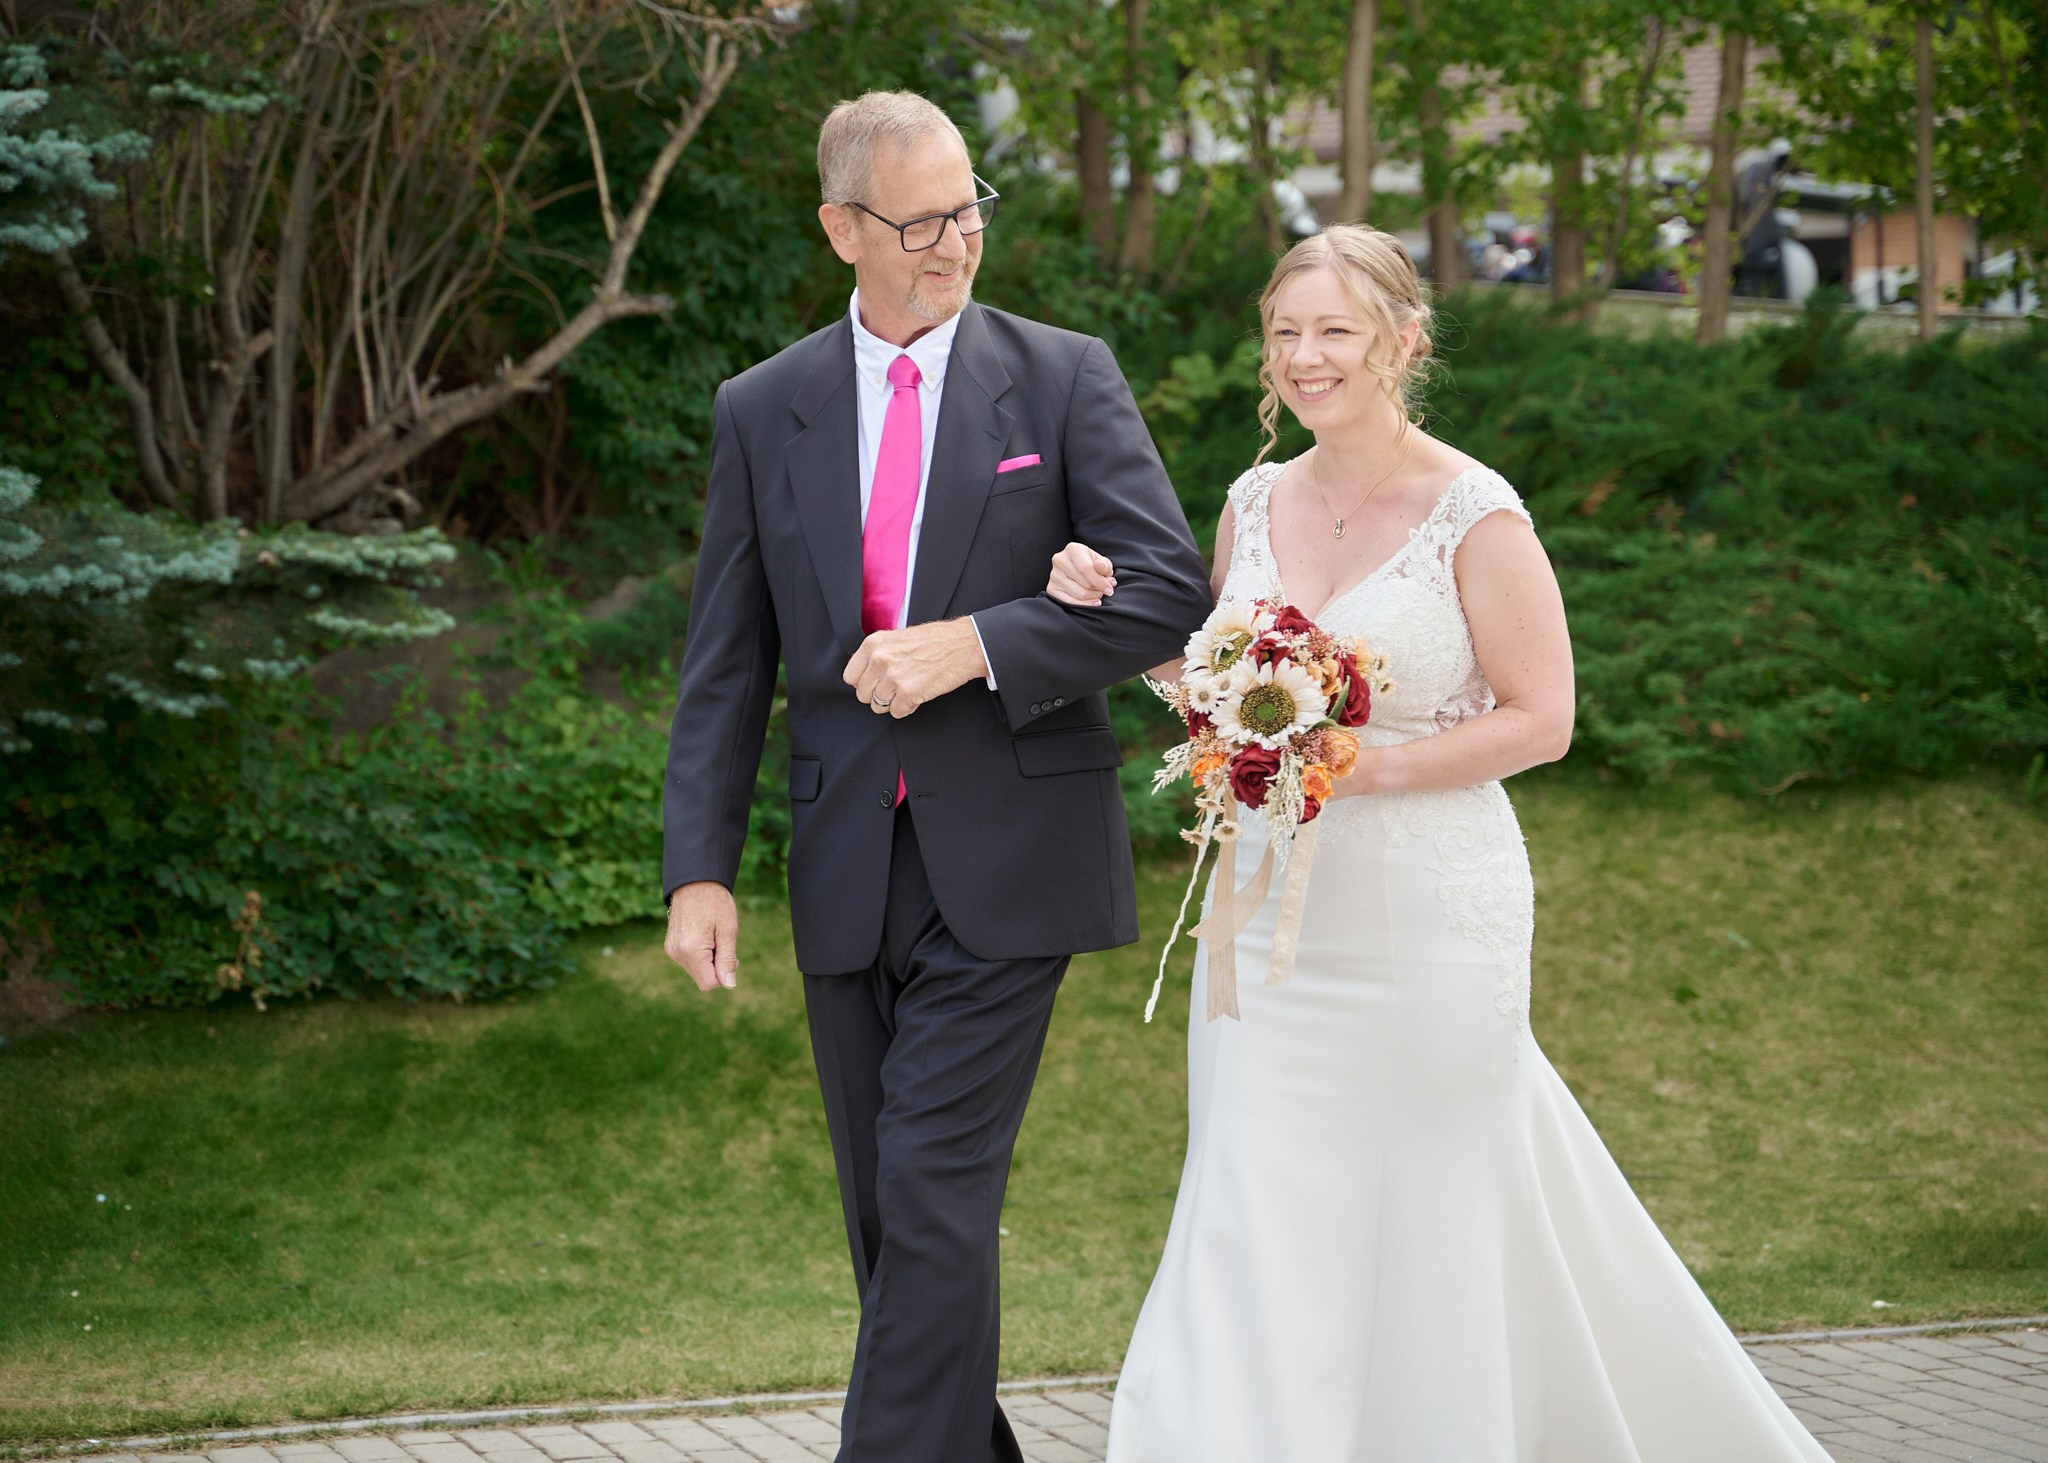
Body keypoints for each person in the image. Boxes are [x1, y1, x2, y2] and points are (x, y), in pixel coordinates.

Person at [1045, 225, 1832, 1462]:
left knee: (1437, 1212)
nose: (1305, 358)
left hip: (1427, 916)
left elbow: (1544, 718)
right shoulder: (1254, 497)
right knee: (1253, 1204)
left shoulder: (1474, 509)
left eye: (1334, 332)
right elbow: (1223, 690)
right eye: (1285, 333)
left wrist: (1367, 768)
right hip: (1265, 923)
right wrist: (1113, 623)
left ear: (1402, 342)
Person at [659, 91, 1211, 1463]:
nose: (955, 242)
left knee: (932, 1188)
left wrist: (976, 643)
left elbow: (1165, 593)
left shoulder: (1063, 373)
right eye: (918, 222)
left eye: (968, 209)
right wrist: (699, 865)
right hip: (847, 859)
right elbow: (725, 662)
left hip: (1014, 854)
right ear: (844, 228)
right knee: (887, 1215)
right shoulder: (762, 407)